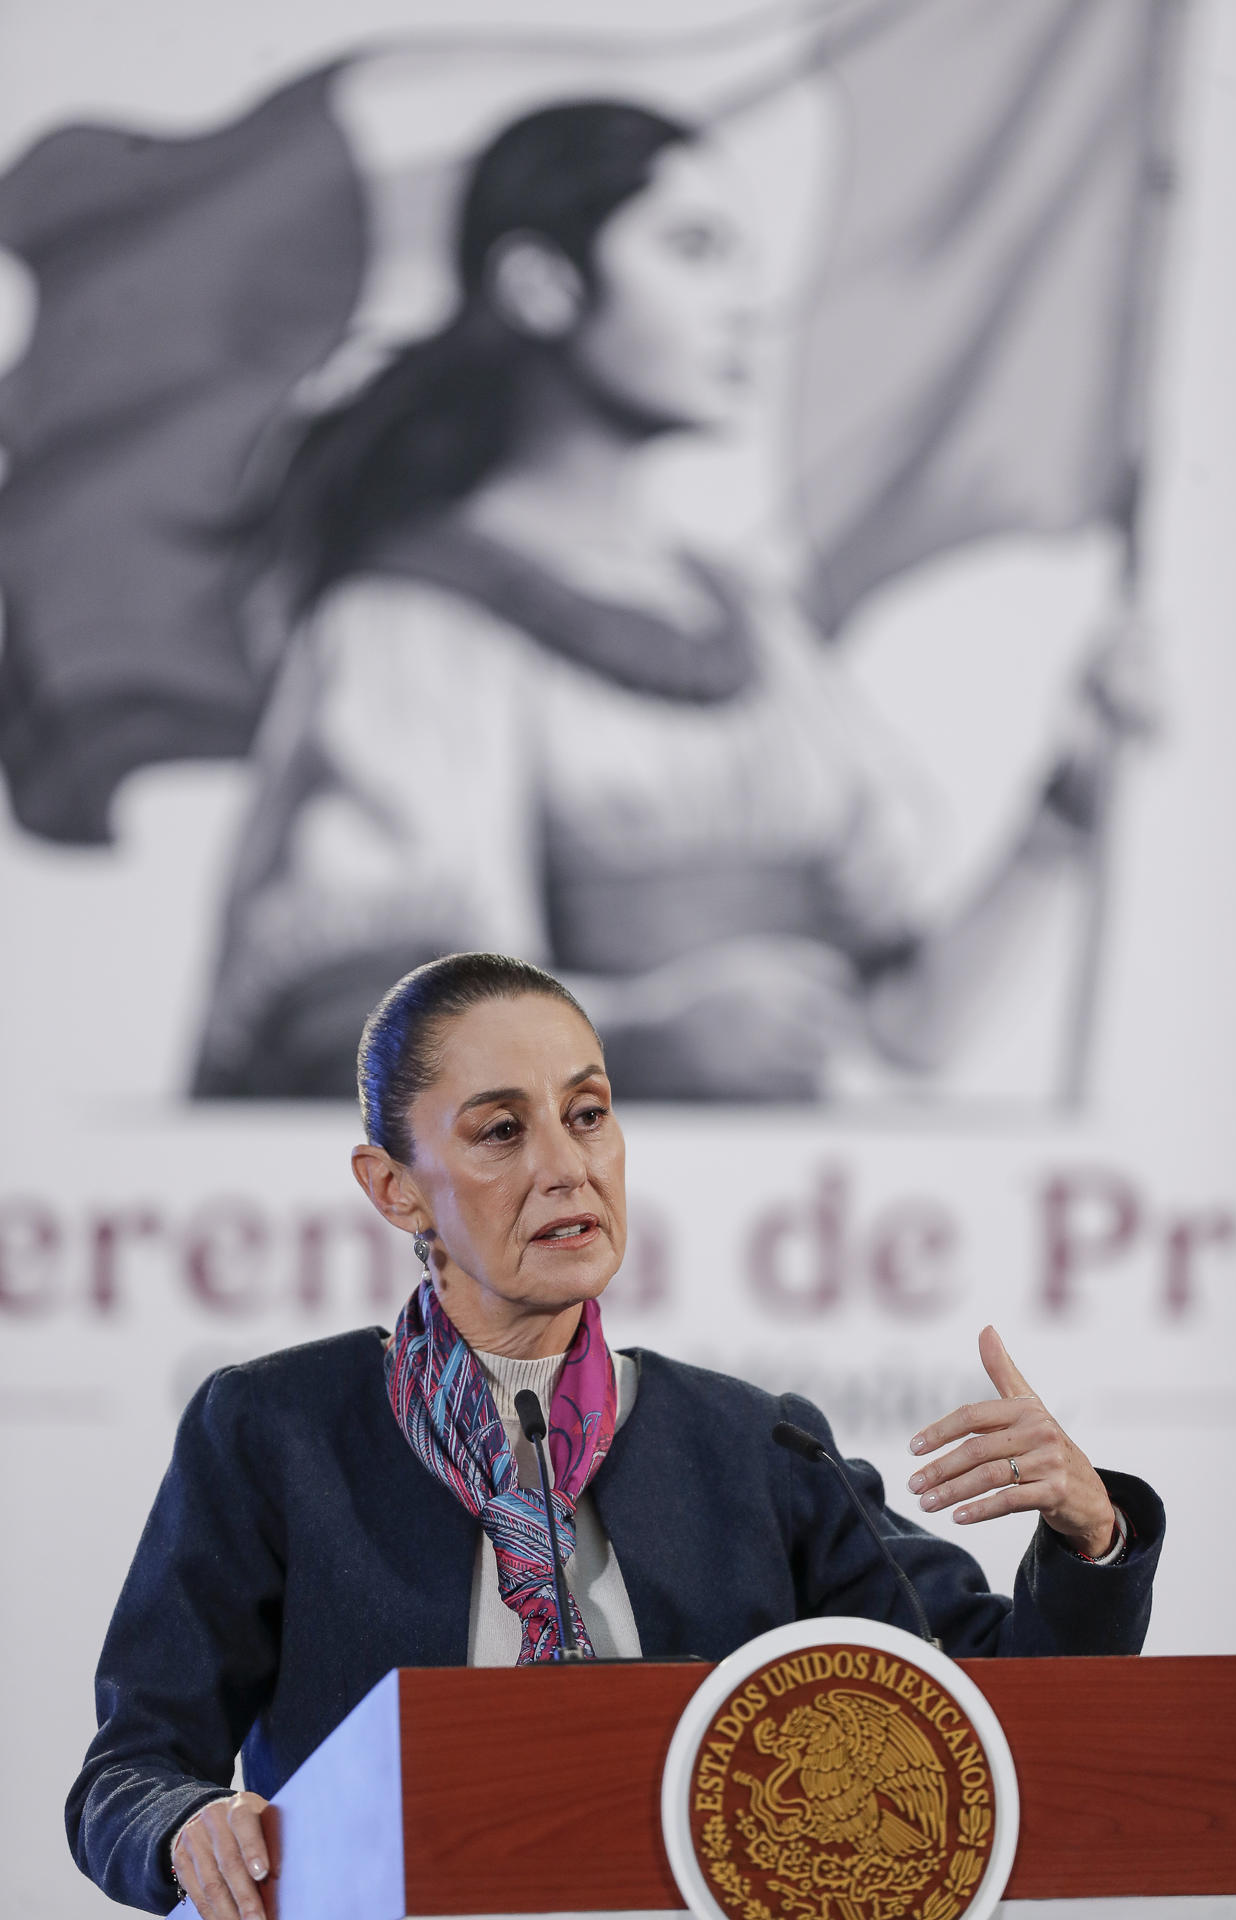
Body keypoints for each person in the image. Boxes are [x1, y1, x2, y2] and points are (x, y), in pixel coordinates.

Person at [70, 952, 1164, 1919]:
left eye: (587, 1114)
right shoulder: (274, 1431)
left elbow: (989, 1724)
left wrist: (1090, 1538)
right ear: (394, 1189)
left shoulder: (758, 1447)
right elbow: (130, 1773)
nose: (566, 1166)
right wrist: (187, 1827)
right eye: (502, 1131)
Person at [191, 98, 1130, 1103]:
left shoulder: (755, 629)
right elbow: (345, 1028)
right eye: (692, 250)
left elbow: (904, 1029)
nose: (744, 305)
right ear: (542, 285)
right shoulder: (409, 625)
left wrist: (1065, 810)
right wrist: (628, 1042)